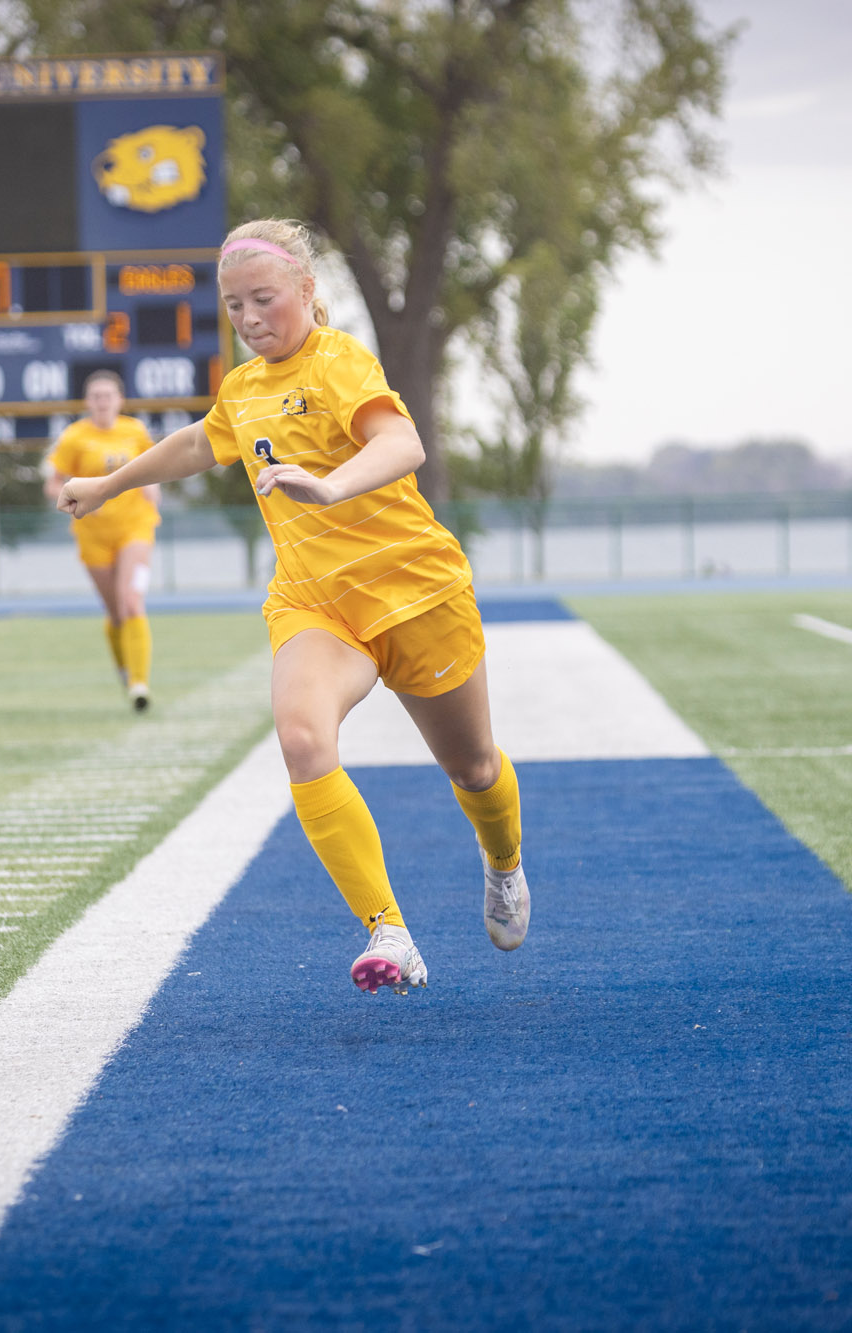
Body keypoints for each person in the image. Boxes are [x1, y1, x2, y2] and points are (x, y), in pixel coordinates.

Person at [58, 219, 529, 996]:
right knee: (302, 738)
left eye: (264, 300)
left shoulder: (340, 362)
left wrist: (332, 484)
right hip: (317, 604)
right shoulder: (243, 389)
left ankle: (504, 861)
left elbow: (402, 443)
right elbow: (198, 446)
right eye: (234, 305)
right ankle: (389, 929)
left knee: (474, 766)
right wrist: (109, 485)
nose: (248, 320)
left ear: (309, 293)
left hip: (414, 592)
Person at [44, 370, 161, 711]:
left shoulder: (134, 430)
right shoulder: (75, 436)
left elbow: (151, 468)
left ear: (119, 400)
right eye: (96, 396)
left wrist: (153, 490)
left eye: (108, 395)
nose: (102, 402)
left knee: (131, 601)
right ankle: (126, 670)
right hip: (92, 534)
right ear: (88, 402)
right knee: (115, 613)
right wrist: (76, 502)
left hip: (135, 526)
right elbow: (53, 485)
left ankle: (140, 685)